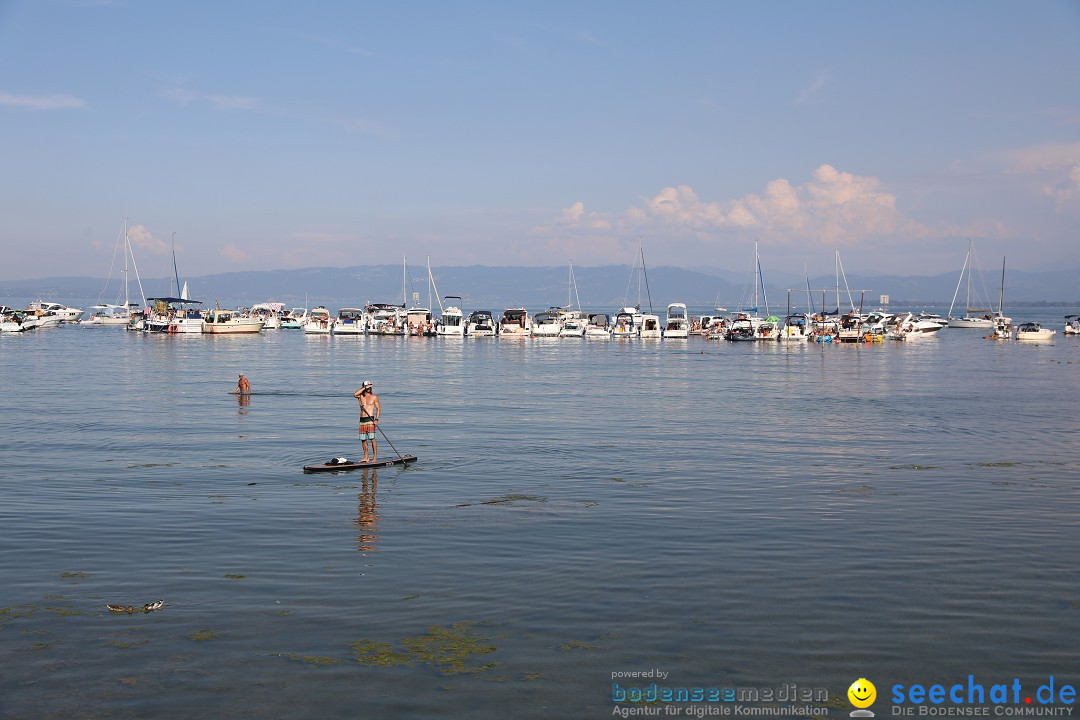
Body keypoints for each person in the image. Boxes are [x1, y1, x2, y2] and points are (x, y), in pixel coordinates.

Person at [353, 380, 381, 463]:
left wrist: (376, 419)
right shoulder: (360, 396)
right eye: (367, 387)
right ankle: (366, 457)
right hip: (362, 419)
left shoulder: (374, 397)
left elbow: (378, 409)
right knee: (363, 439)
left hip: (370, 419)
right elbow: (355, 394)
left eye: (370, 387)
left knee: (372, 438)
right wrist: (364, 387)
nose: (369, 388)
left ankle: (375, 457)